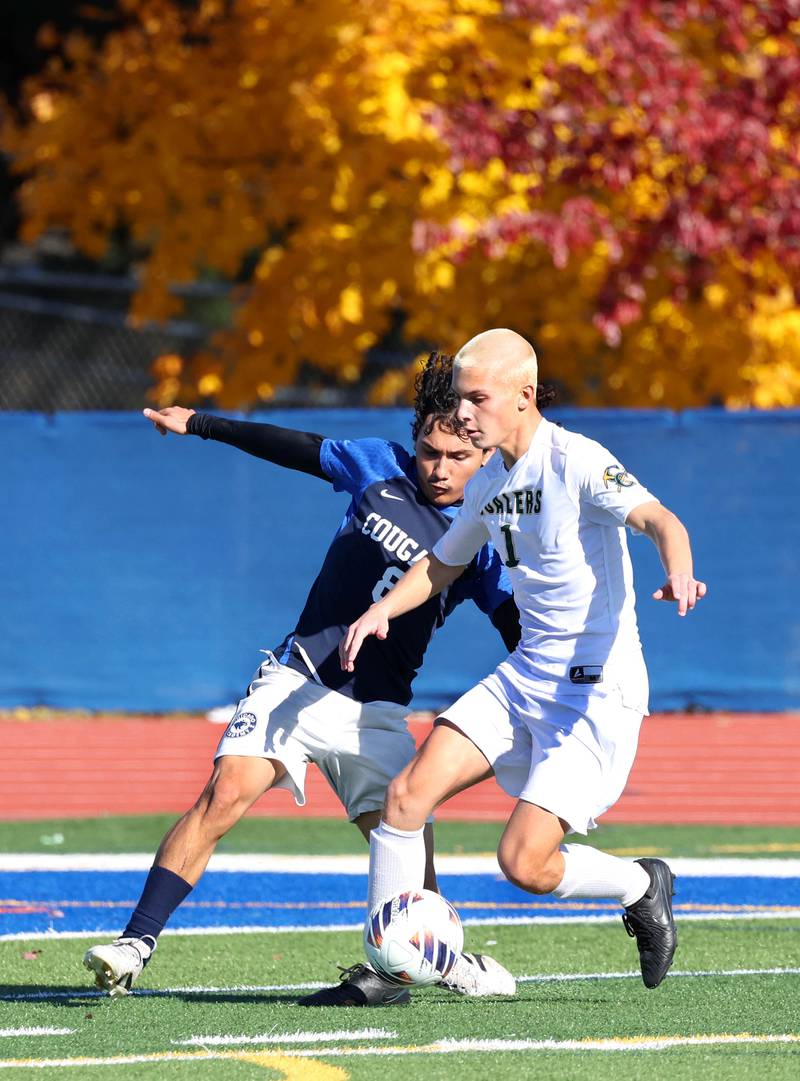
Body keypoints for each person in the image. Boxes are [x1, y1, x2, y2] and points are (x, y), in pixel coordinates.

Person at [83, 352, 522, 1005]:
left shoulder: (484, 538)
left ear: (485, 454)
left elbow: (517, 627)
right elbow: (291, 446)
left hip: (375, 713)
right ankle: (134, 943)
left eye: (457, 457)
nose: (439, 467)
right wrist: (199, 422)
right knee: (224, 791)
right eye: (430, 450)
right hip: (298, 679)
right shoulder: (377, 466)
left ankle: (436, 958)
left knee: (407, 855)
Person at [342, 329, 708, 992]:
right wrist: (381, 610)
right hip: (526, 676)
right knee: (404, 797)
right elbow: (442, 563)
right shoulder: (489, 480)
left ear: (523, 395)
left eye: (477, 398)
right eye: (459, 398)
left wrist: (679, 571)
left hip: (596, 691)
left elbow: (661, 520)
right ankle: (389, 966)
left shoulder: (574, 460)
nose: (464, 413)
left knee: (524, 862)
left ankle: (640, 882)